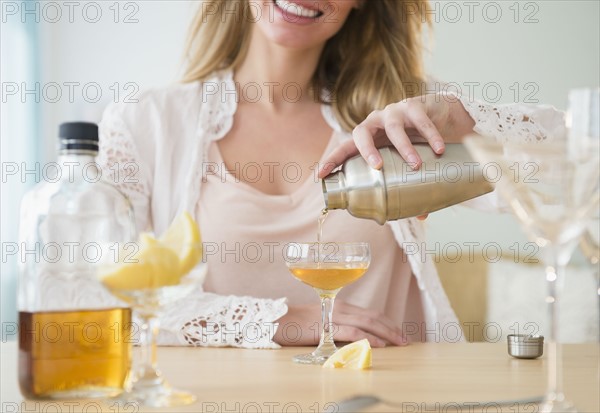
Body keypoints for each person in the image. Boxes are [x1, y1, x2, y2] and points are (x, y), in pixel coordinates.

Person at [98, 0, 566, 348]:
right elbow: (106, 304)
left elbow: (575, 171)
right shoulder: (145, 124)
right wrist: (276, 321)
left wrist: (467, 121)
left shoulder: (400, 118)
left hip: (384, 395)